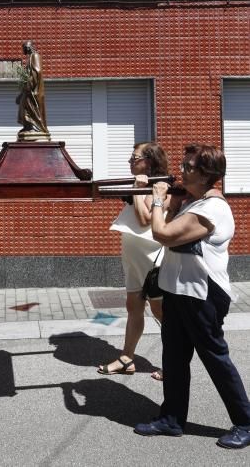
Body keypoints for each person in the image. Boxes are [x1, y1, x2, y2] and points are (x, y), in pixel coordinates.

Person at [135, 144, 250, 449]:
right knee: (173, 358)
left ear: (207, 174)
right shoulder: (192, 202)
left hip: (202, 295)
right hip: (178, 291)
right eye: (184, 166)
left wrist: (158, 200)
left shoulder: (211, 209)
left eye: (188, 167)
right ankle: (172, 419)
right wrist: (172, 204)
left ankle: (246, 421)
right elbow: (168, 226)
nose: (181, 171)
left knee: (215, 358)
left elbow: (163, 234)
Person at [98, 142, 170, 380]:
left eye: (135, 157)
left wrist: (139, 191)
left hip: (153, 261)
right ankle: (126, 358)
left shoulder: (163, 187)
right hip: (134, 259)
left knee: (161, 313)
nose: (130, 161)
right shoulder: (139, 184)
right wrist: (137, 187)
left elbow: (144, 220)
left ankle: (173, 364)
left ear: (149, 161)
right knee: (133, 309)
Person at [16, 40, 50, 140]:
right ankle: (28, 126)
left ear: (28, 47)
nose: (24, 50)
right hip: (28, 89)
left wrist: (29, 85)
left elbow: (36, 72)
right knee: (23, 105)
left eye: (24, 48)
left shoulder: (35, 56)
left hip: (33, 90)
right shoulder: (30, 57)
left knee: (29, 107)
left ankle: (34, 127)